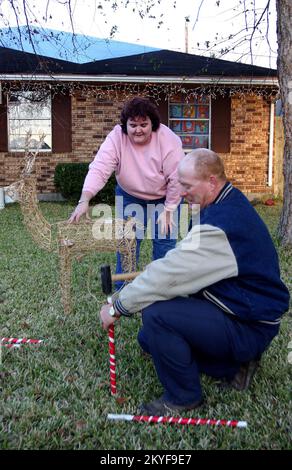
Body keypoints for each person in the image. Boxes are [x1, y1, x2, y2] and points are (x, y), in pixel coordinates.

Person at [99, 148, 290, 415]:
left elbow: (170, 276)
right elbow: (182, 261)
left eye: (187, 185)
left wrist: (117, 305)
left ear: (212, 181)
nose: (182, 192)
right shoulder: (223, 202)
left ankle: (183, 396)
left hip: (248, 323)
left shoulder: (220, 224)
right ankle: (234, 365)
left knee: (156, 315)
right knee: (148, 340)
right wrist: (161, 270)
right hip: (237, 308)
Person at [69, 97, 185, 285]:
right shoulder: (116, 137)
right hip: (130, 196)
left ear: (152, 124)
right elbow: (100, 168)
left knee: (164, 243)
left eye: (143, 124)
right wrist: (85, 199)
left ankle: (164, 291)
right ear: (125, 125)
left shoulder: (168, 139)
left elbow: (177, 178)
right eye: (133, 125)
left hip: (165, 199)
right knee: (127, 243)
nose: (138, 129)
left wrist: (170, 208)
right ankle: (123, 291)